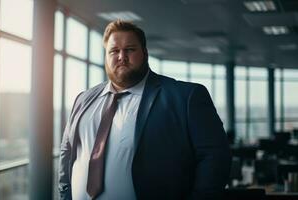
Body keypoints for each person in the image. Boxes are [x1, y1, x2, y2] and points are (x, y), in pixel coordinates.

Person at [59, 20, 231, 200]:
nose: (121, 57)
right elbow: (67, 154)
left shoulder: (185, 97)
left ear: (145, 53)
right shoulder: (83, 99)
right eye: (114, 51)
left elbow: (215, 158)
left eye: (130, 49)